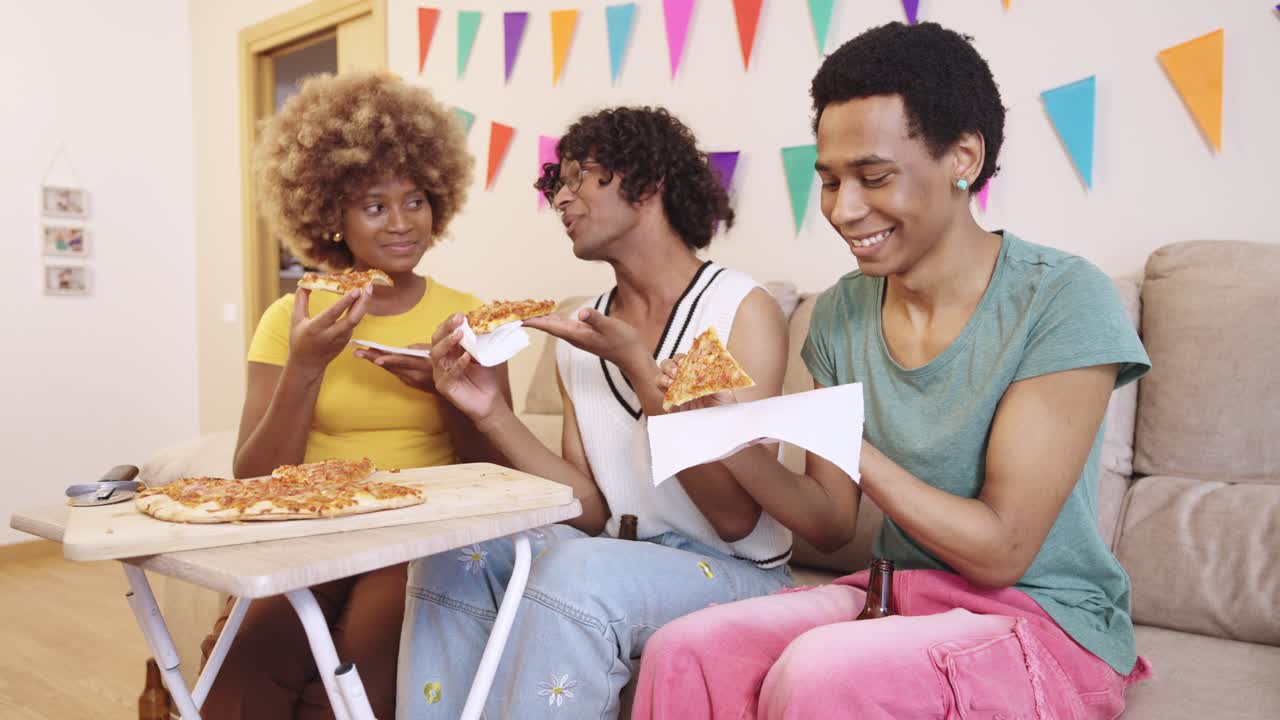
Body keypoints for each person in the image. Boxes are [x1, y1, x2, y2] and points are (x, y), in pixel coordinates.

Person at [633, 22, 1153, 719]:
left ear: (962, 157)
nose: (844, 210)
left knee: (823, 673)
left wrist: (839, 439)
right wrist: (730, 432)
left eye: (874, 177)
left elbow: (1001, 551)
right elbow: (825, 520)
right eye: (828, 181)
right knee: (683, 648)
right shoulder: (843, 313)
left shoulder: (1061, 297)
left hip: (1042, 618)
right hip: (894, 595)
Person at [397, 106, 794, 719]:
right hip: (618, 549)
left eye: (582, 176)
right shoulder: (579, 330)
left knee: (579, 572)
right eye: (559, 183)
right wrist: (491, 410)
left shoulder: (740, 309)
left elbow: (736, 516)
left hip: (737, 570)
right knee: (456, 550)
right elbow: (592, 510)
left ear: (649, 181)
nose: (561, 198)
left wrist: (641, 369)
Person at [199, 70, 505, 720]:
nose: (401, 223)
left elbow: (493, 465)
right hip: (312, 524)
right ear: (330, 214)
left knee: (360, 677)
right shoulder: (292, 317)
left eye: (415, 200)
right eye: (374, 205)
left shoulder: (467, 317)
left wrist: (451, 393)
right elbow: (253, 475)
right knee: (242, 667)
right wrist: (305, 365)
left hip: (418, 528)